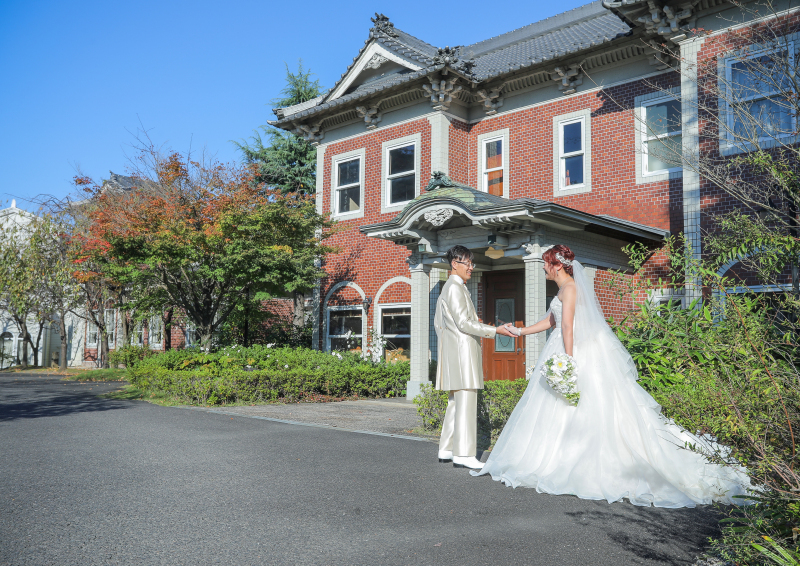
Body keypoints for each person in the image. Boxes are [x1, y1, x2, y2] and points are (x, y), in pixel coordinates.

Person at [472, 244, 752, 507]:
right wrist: (519, 331)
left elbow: (567, 327)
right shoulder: (562, 290)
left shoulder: (569, 289)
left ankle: (571, 461)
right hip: (565, 345)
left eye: (546, 264)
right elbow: (552, 321)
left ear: (557, 265)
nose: (543, 269)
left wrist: (568, 362)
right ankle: (553, 457)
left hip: (574, 350)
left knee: (583, 406)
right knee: (558, 406)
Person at [435, 245, 516, 470]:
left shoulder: (451, 287)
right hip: (463, 352)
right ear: (454, 264)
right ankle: (464, 453)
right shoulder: (454, 288)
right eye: (468, 263)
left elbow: (440, 325)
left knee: (455, 403)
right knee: (466, 402)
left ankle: (447, 449)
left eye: (472, 263)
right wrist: (495, 331)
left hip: (456, 351)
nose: (471, 267)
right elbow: (463, 323)